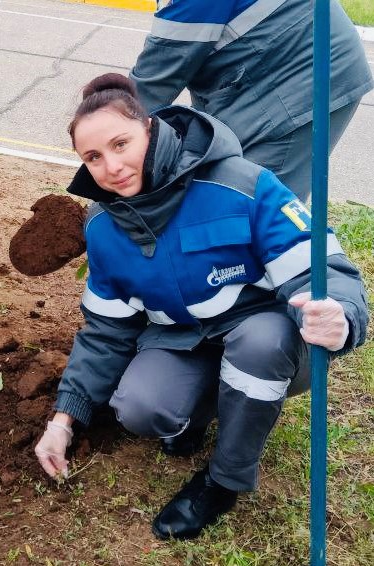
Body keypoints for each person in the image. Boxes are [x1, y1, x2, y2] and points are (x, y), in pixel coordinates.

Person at [34, 74, 368, 540]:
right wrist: (64, 419)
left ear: (149, 128)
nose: (111, 166)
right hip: (183, 341)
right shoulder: (103, 228)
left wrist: (338, 312)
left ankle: (222, 482)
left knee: (260, 346)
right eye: (93, 157)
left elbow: (319, 268)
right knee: (139, 409)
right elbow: (105, 331)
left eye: (120, 143)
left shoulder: (243, 186)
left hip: (265, 336)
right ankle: (206, 407)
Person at [129, 0, 373, 200]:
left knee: (250, 206)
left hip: (300, 80)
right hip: (273, 69)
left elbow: (156, 78)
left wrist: (104, 139)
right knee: (218, 187)